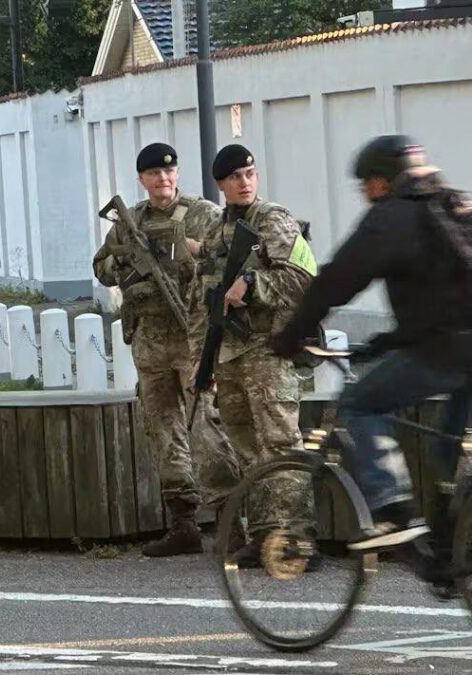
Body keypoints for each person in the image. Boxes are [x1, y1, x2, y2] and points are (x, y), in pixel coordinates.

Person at [272, 136, 472, 554]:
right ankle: (451, 551)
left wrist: (291, 336)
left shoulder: (393, 217)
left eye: (365, 183)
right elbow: (444, 296)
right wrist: (383, 344)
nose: (364, 193)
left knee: (359, 403)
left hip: (446, 350)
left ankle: (392, 510)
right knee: (447, 449)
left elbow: (337, 280)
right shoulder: (454, 205)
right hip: (455, 346)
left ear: (382, 181)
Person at [92, 143, 240, 557]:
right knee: (163, 430)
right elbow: (101, 267)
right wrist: (126, 262)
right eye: (154, 173)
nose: (163, 179)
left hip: (192, 338)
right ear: (142, 179)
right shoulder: (128, 221)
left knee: (205, 426)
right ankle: (183, 523)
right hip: (149, 341)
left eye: (169, 173)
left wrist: (193, 251)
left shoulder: (203, 214)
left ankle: (231, 524)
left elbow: (229, 257)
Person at [196, 144, 317, 565]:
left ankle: (296, 539)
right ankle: (266, 535)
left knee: (281, 447)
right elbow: (206, 300)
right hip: (228, 356)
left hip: (268, 352)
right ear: (220, 184)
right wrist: (205, 361)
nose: (244, 182)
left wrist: (253, 282)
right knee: (248, 450)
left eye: (249, 174)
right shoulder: (216, 231)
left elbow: (303, 279)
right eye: (235, 177)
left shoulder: (273, 220)